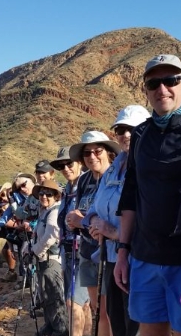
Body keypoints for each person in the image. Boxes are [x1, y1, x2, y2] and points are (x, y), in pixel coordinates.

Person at [114, 54, 181, 336]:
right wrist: (123, 252)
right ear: (145, 90)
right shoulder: (141, 134)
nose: (162, 89)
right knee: (149, 330)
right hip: (145, 256)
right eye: (154, 83)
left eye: (171, 81)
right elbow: (131, 194)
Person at [83, 105, 149, 336]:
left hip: (138, 259)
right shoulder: (114, 169)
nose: (126, 134)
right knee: (116, 320)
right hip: (110, 259)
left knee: (137, 323)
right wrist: (93, 222)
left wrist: (112, 230)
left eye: (133, 128)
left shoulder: (149, 167)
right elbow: (94, 206)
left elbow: (152, 219)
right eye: (121, 129)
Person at [67, 130, 120, 336]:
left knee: (109, 311)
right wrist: (73, 220)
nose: (92, 156)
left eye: (97, 151)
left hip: (109, 253)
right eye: (87, 153)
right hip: (87, 251)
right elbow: (82, 210)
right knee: (97, 308)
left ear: (107, 153)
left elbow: (113, 217)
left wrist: (81, 221)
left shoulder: (114, 177)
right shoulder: (84, 180)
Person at [51, 146, 90, 336]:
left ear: (79, 163)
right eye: (61, 166)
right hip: (68, 253)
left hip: (84, 253)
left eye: (69, 164)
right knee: (83, 305)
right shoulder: (67, 189)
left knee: (72, 303)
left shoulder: (87, 184)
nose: (65, 168)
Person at [25, 179, 69, 336]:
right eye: (42, 193)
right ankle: (50, 325)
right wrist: (29, 248)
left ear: (56, 196)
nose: (44, 196)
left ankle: (60, 329)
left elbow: (51, 236)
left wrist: (34, 251)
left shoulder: (54, 212)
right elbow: (38, 235)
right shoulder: (45, 211)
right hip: (43, 260)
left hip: (52, 260)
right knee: (46, 295)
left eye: (48, 194)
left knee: (54, 296)